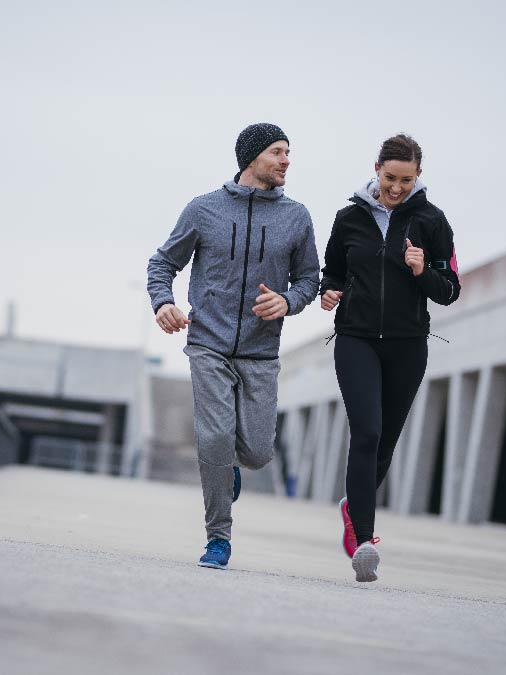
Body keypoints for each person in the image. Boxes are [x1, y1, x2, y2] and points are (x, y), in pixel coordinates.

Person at [147, 123, 320, 570]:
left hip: (261, 351)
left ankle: (228, 472)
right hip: (208, 343)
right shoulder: (204, 209)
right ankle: (218, 537)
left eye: (288, 152)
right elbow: (163, 262)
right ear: (252, 157)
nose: (286, 161)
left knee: (259, 452)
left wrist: (287, 301)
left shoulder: (296, 217)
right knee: (215, 436)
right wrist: (163, 302)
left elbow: (308, 280)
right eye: (278, 152)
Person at [319, 134, 461, 582]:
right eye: (389, 178)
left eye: (406, 179)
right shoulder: (349, 218)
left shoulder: (433, 222)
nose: (396, 188)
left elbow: (450, 289)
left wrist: (421, 272)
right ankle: (364, 538)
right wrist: (329, 292)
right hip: (356, 338)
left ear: (419, 176)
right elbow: (334, 270)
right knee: (367, 431)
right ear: (376, 169)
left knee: (384, 444)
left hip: (407, 345)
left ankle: (351, 506)